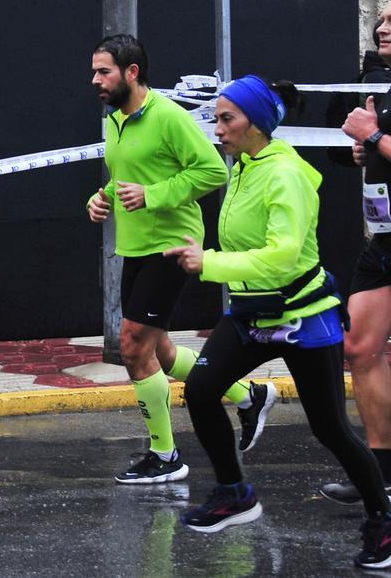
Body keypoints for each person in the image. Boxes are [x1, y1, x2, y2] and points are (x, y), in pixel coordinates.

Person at [166, 75, 391, 569]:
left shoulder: (285, 173)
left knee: (330, 428)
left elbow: (284, 257)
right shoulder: (246, 163)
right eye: (217, 118)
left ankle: (382, 521)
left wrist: (211, 263)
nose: (217, 128)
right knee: (201, 389)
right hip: (252, 313)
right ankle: (234, 493)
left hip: (302, 315)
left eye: (227, 119)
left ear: (258, 124)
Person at [87, 34, 275, 485]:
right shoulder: (115, 121)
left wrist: (152, 196)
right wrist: (101, 198)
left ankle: (166, 455)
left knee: (133, 347)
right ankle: (249, 395)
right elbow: (126, 177)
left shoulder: (168, 116)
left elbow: (212, 171)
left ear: (132, 73)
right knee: (160, 350)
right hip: (135, 245)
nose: (95, 79)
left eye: (104, 71)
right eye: (94, 71)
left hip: (171, 245)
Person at [319, 2, 391, 504]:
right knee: (360, 348)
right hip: (384, 240)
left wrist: (377, 137)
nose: (382, 28)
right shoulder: (380, 86)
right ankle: (381, 472)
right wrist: (365, 150)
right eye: (382, 21)